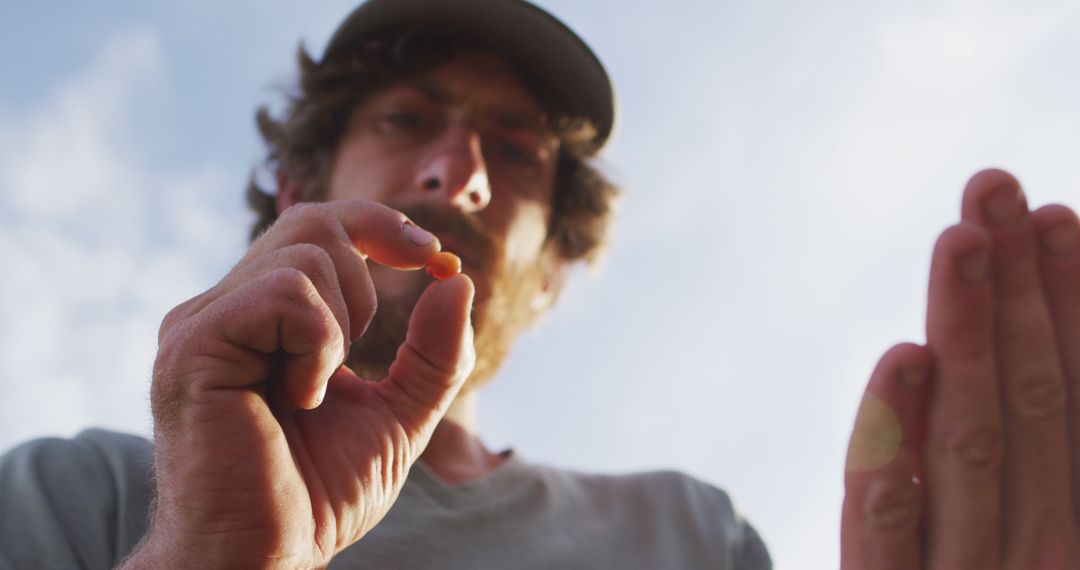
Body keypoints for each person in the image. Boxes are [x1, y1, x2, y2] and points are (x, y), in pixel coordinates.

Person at [0, 1, 772, 568]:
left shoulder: (691, 534)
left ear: (550, 276)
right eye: (405, 119)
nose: (459, 174)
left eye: (514, 152)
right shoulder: (72, 495)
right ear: (296, 192)